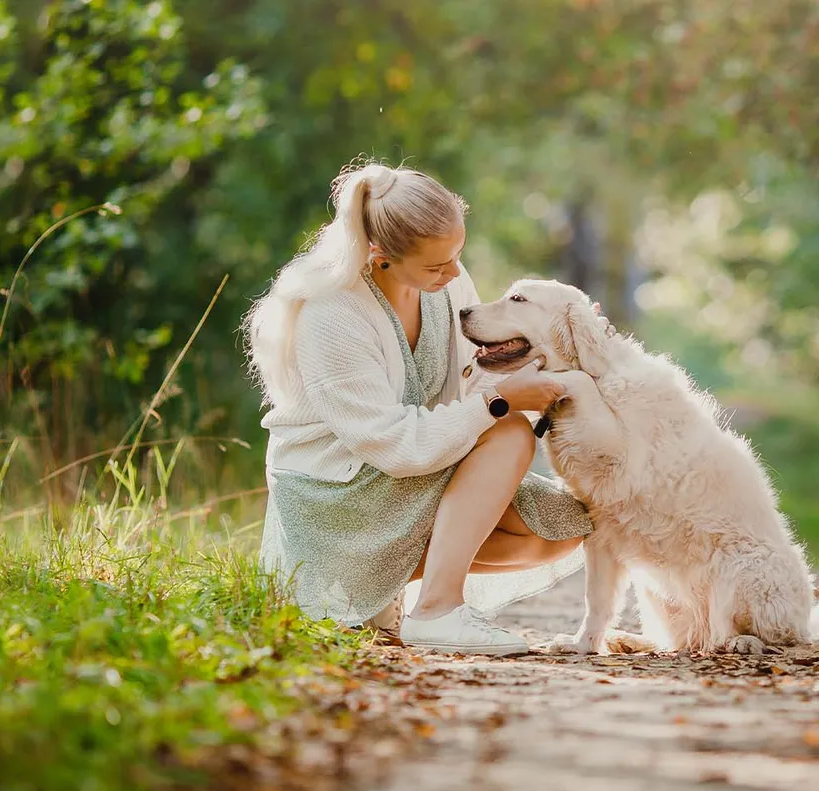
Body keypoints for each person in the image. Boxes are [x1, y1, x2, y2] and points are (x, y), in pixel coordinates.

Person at [243, 160, 604, 655]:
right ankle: (433, 609)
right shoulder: (331, 314)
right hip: (340, 495)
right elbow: (395, 446)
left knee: (559, 531)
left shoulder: (443, 283)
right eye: (437, 265)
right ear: (379, 254)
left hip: (415, 466)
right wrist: (502, 400)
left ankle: (376, 589)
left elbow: (475, 378)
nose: (454, 273)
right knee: (510, 430)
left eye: (457, 255)